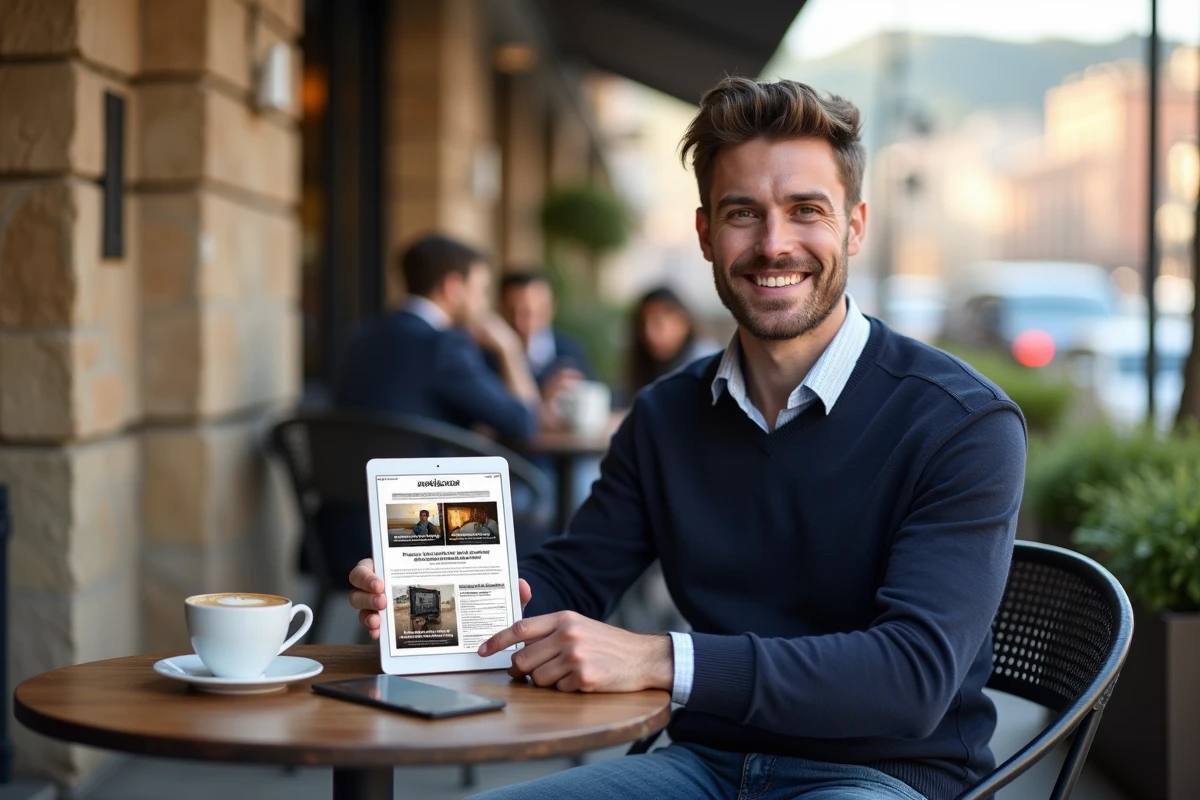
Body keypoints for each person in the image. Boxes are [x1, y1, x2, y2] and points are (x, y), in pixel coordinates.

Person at [349, 77, 1026, 800]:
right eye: (744, 213)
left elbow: (911, 677)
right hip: (699, 767)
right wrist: (444, 603)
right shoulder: (665, 415)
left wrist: (661, 661)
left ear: (855, 226)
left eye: (806, 211)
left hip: (880, 778)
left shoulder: (962, 423)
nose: (774, 245)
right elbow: (576, 579)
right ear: (705, 234)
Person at [335, 234, 546, 440]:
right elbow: (523, 424)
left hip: (356, 473)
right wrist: (509, 349)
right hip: (426, 475)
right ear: (452, 286)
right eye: (481, 290)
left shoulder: (360, 337)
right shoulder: (445, 345)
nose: (483, 303)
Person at [498, 269, 593, 387]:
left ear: (550, 309)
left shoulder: (570, 352)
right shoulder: (486, 355)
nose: (520, 323)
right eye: (512, 312)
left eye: (530, 313)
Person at [627, 286, 718, 396]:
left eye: (658, 323)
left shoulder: (705, 361)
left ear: (682, 323)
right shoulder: (645, 365)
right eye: (643, 324)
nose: (649, 333)